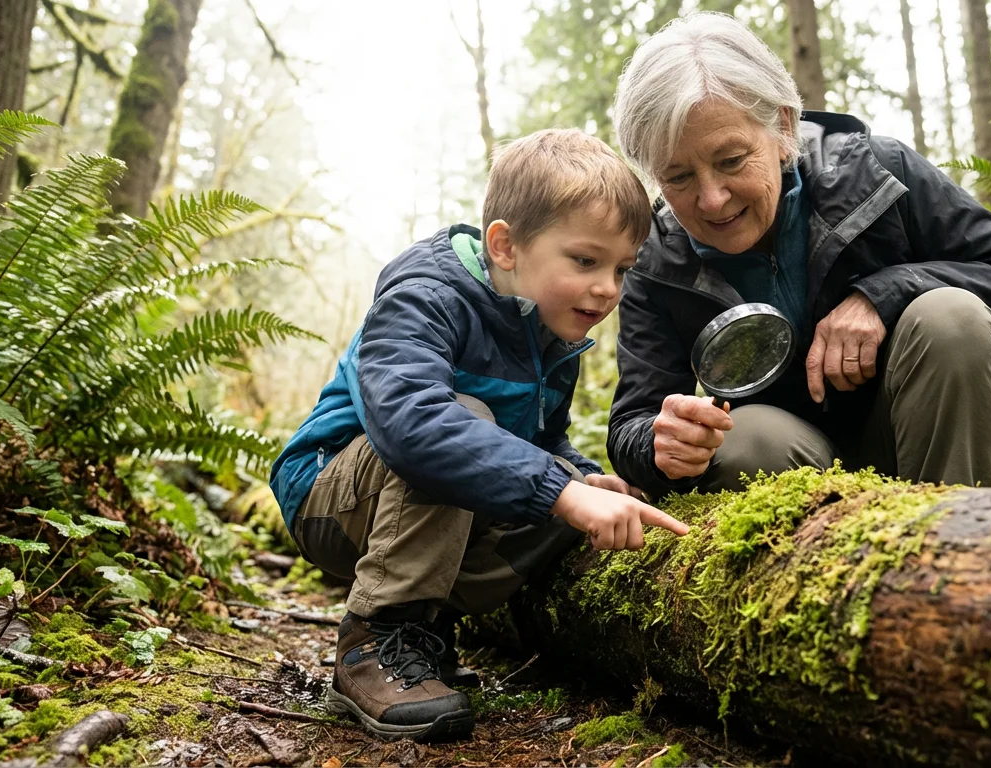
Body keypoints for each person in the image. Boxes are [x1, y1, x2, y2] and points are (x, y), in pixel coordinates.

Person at [269, 129, 689, 743]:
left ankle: (426, 631)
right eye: (585, 261)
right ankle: (376, 639)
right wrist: (561, 490)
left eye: (622, 269)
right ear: (506, 245)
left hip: (431, 509)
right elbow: (411, 422)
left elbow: (542, 441)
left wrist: (580, 478)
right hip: (330, 495)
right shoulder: (427, 295)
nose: (608, 289)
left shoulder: (552, 331)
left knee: (561, 490)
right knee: (461, 420)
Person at [607, 13, 991, 500]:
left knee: (952, 317)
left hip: (917, 440)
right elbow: (632, 422)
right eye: (678, 178)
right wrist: (660, 443)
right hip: (786, 473)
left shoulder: (878, 173)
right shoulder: (655, 259)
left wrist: (882, 295)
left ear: (782, 126)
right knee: (747, 439)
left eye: (731, 161)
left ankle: (959, 550)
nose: (712, 199)